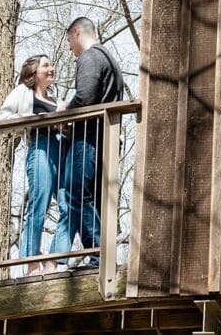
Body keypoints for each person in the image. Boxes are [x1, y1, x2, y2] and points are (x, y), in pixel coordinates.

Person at [54, 17, 123, 270]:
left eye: (70, 40)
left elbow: (84, 97)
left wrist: (65, 112)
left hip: (88, 139)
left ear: (76, 32)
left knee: (76, 194)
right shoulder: (111, 60)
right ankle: (99, 256)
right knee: (91, 198)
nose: (70, 47)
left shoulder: (90, 57)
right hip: (104, 138)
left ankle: (98, 258)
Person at [0, 54, 71, 276]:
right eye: (46, 65)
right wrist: (35, 120)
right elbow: (3, 118)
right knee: (39, 203)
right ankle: (31, 264)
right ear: (34, 72)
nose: (52, 68)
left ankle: (54, 261)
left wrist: (63, 123)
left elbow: (65, 128)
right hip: (40, 147)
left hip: (62, 149)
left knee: (69, 204)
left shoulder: (58, 101)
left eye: (51, 64)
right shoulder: (23, 92)